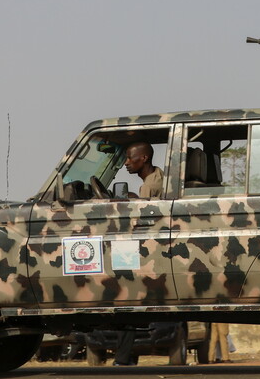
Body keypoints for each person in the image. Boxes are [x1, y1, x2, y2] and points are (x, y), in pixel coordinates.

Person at [114, 142, 165, 366]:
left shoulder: (150, 186)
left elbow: (144, 221)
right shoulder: (156, 178)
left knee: (124, 294)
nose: (126, 163)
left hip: (149, 251)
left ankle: (123, 358)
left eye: (129, 158)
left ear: (143, 158)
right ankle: (125, 357)